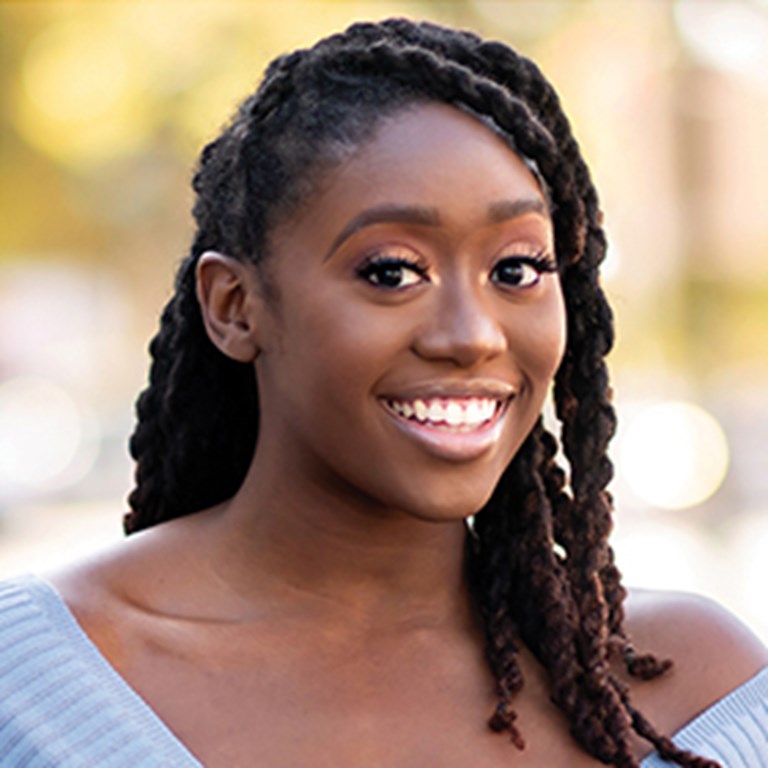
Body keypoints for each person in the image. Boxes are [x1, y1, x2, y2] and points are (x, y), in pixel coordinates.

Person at [0, 18, 766, 768]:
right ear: (234, 306)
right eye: (392, 272)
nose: (472, 336)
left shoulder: (702, 695)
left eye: (516, 269)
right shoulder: (34, 689)